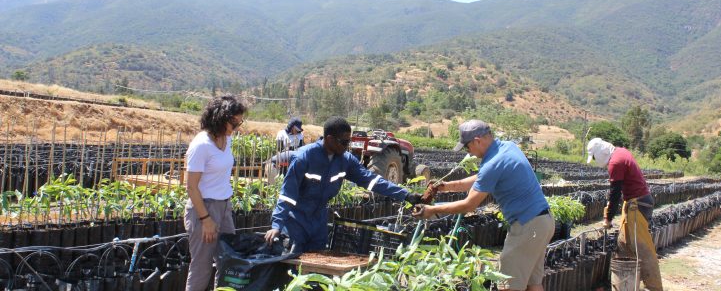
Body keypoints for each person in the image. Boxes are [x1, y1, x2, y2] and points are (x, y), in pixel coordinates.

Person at [412, 120, 554, 291]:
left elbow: (468, 205)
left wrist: (432, 210)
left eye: (467, 147)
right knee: (533, 283)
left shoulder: (493, 164)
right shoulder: (507, 147)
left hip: (527, 226)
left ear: (477, 141)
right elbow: (483, 178)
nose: (468, 152)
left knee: (507, 284)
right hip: (543, 222)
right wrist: (448, 186)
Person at [264, 116, 422, 252]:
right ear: (329, 139)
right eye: (344, 142)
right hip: (296, 223)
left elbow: (372, 180)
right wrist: (276, 225)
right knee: (292, 272)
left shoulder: (345, 161)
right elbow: (287, 195)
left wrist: (405, 195)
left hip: (319, 222)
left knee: (317, 272)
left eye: (349, 141)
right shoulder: (304, 158)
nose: (347, 146)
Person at [183, 95, 247, 291]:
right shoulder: (201, 145)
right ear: (220, 118)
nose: (237, 127)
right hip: (204, 208)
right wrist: (206, 219)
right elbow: (192, 187)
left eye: (239, 121)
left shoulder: (227, 140)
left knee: (227, 262)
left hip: (224, 207)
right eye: (234, 122)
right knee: (201, 266)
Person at [587, 137, 663, 291]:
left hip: (638, 205)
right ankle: (625, 283)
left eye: (595, 157)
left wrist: (608, 218)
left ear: (600, 153)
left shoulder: (616, 162)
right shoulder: (621, 151)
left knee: (642, 248)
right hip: (634, 203)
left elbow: (614, 194)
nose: (595, 160)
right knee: (624, 244)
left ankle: (654, 287)